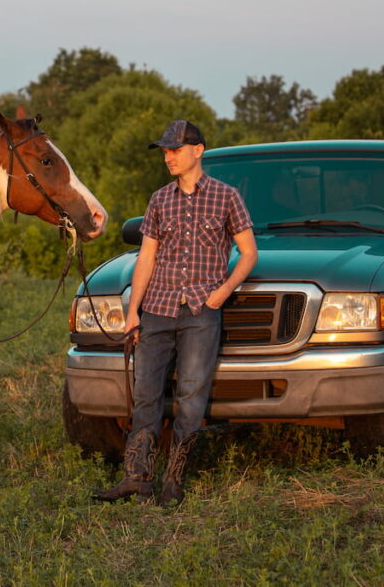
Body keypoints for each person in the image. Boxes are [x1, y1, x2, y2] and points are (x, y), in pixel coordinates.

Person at [93, 120, 258, 506]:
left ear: (197, 150)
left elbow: (249, 253)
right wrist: (133, 310)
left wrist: (220, 293)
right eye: (164, 151)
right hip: (157, 310)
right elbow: (146, 257)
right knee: (146, 395)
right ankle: (137, 478)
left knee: (190, 395)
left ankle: (174, 480)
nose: (168, 157)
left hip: (201, 311)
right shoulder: (159, 200)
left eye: (174, 150)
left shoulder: (226, 197)